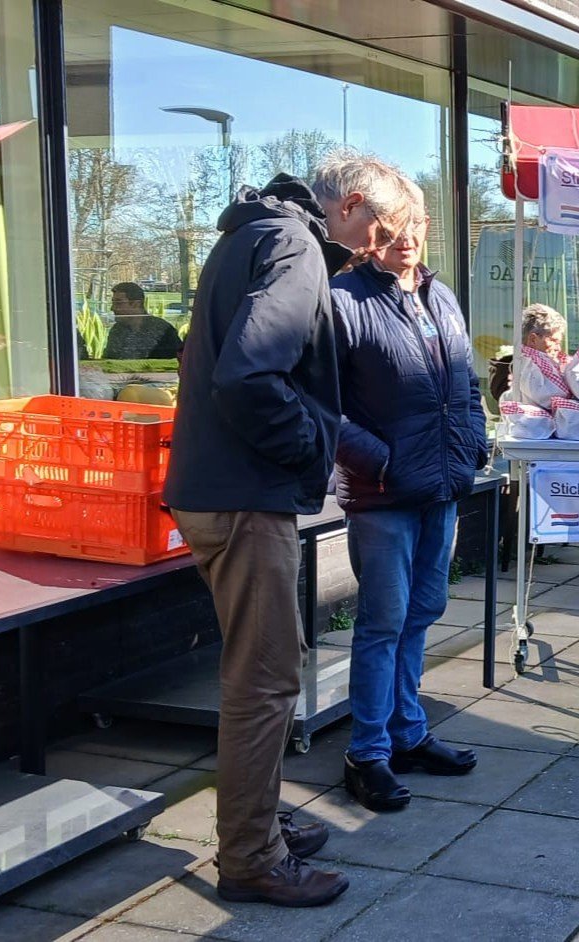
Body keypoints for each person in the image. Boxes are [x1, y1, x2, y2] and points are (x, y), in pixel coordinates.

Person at [162, 157, 414, 908]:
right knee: (267, 676)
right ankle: (250, 856)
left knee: (262, 669)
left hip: (221, 490)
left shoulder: (253, 236)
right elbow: (246, 374)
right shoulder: (297, 246)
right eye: (378, 229)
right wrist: (311, 443)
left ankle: (260, 820)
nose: (376, 245)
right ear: (354, 204)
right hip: (244, 497)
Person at [331, 184, 487, 813]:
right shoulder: (342, 302)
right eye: (394, 227)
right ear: (372, 232)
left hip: (443, 488)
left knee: (423, 611)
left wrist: (474, 443)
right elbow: (324, 406)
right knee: (382, 623)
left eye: (417, 224)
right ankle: (366, 753)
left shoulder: (440, 294)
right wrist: (383, 462)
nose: (407, 238)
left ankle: (407, 732)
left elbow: (468, 384)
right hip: (386, 497)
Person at [487, 302, 567, 403]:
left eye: (559, 343)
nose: (558, 348)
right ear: (533, 339)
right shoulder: (513, 371)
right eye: (554, 341)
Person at [102, 282, 183, 360]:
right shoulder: (117, 330)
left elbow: (177, 363)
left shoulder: (163, 330)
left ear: (136, 304)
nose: (112, 308)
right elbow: (108, 362)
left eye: (118, 303)